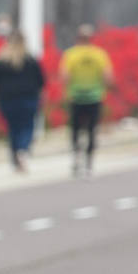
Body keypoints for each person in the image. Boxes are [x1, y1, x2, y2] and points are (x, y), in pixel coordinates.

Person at [0, 30, 46, 172]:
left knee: (13, 128)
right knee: (27, 126)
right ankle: (23, 150)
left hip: (7, 100)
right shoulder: (31, 60)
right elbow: (41, 82)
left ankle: (15, 157)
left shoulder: (2, 61)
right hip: (28, 99)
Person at [58, 24, 114, 178]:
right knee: (91, 130)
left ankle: (76, 156)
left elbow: (64, 77)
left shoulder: (70, 54)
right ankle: (89, 162)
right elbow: (108, 77)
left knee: (75, 130)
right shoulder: (99, 54)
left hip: (75, 97)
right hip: (94, 97)